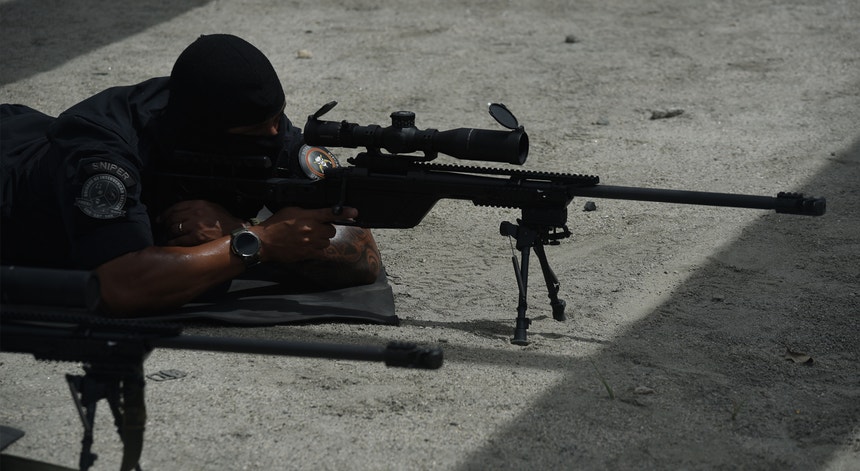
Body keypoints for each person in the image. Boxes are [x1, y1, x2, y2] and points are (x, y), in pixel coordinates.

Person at [0, 34, 381, 317]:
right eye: (255, 130)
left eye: (277, 119)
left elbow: (361, 257)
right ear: (201, 130)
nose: (273, 136)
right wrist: (257, 243)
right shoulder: (101, 150)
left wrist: (238, 226)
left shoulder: (262, 129)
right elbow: (120, 285)